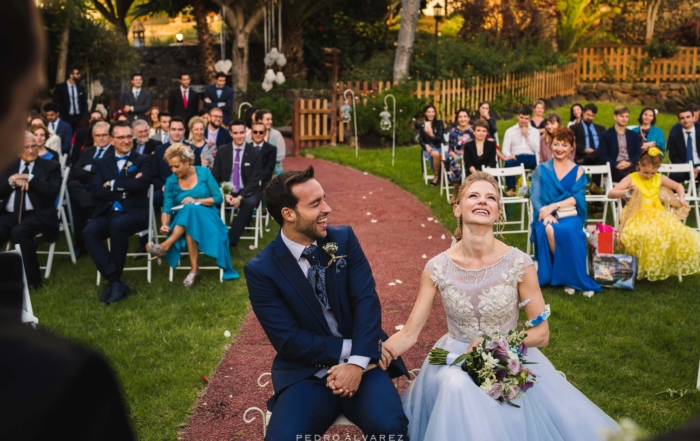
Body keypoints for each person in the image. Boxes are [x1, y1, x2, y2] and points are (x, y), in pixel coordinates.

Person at [380, 170, 619, 441]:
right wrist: (375, 354)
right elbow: (410, 333)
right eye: (474, 196)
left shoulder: (519, 263)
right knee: (454, 384)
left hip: (508, 355)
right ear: (457, 207)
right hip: (451, 358)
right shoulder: (436, 268)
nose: (483, 201)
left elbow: (542, 334)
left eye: (491, 198)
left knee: (465, 390)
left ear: (498, 213)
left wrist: (493, 343)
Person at [0, 3, 135, 439]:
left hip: (115, 212)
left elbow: (122, 188)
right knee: (95, 227)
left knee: (104, 225)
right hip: (97, 213)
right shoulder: (63, 383)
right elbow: (88, 185)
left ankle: (113, 280)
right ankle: (114, 278)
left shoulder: (134, 159)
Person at [244, 166, 409, 440]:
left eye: (324, 198)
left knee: (390, 427)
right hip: (306, 374)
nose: (327, 208)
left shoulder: (343, 240)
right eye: (315, 203)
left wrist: (357, 363)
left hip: (365, 368)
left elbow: (366, 301)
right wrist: (355, 350)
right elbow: (289, 340)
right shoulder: (262, 270)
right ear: (288, 214)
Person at [144, 143, 238, 285]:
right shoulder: (171, 181)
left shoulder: (204, 173)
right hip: (184, 222)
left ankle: (165, 246)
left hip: (208, 218)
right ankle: (194, 269)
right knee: (189, 217)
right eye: (171, 167)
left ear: (187, 162)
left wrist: (197, 200)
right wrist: (164, 224)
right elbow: (167, 208)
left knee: (190, 208)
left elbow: (218, 198)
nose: (174, 170)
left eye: (177, 166)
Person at [83, 121, 152, 304]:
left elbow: (140, 185)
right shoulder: (102, 163)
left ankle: (114, 283)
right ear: (112, 140)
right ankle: (115, 280)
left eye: (129, 136)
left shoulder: (142, 160)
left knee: (118, 225)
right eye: (121, 137)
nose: (126, 140)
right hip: (107, 212)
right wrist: (125, 188)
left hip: (134, 213)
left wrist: (112, 184)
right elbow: (95, 190)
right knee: (89, 231)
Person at [608, 147, 700, 281]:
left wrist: (681, 198)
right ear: (639, 165)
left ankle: (660, 264)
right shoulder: (631, 178)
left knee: (676, 231)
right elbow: (611, 193)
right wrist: (627, 192)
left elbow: (678, 186)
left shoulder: (659, 178)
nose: (649, 176)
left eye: (653, 172)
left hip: (657, 213)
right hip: (636, 213)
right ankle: (642, 266)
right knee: (644, 233)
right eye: (646, 172)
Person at [530, 128, 601, 295]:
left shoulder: (578, 170)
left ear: (571, 148)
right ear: (550, 145)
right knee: (547, 228)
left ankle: (568, 277)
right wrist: (546, 213)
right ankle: (568, 276)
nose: (559, 148)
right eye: (556, 144)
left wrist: (554, 207)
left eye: (564, 145)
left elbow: (577, 198)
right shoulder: (541, 169)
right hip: (543, 213)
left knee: (567, 230)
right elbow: (535, 196)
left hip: (569, 214)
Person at [0, 131, 61, 289]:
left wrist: (30, 179)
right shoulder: (8, 165)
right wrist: (12, 182)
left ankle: (33, 281)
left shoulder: (51, 166)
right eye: (25, 147)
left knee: (19, 232)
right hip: (8, 214)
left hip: (37, 214)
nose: (31, 150)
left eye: (34, 146)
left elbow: (51, 192)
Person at [211, 119, 262, 247]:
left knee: (249, 203)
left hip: (248, 189)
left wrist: (240, 197)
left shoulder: (255, 152)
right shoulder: (222, 151)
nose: (239, 136)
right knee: (210, 202)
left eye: (241, 132)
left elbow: (254, 179)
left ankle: (230, 240)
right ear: (230, 134)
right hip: (226, 189)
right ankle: (211, 236)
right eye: (236, 133)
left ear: (246, 132)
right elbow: (215, 176)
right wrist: (224, 194)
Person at [68, 121, 113, 258]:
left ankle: (79, 245)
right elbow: (75, 171)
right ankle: (91, 210)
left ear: (110, 136)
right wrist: (94, 173)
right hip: (86, 191)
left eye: (104, 135)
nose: (101, 138)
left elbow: (108, 174)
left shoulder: (114, 152)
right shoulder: (87, 151)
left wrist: (90, 169)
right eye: (97, 135)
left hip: (103, 192)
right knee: (72, 186)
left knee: (77, 204)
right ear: (93, 136)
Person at [152, 117, 193, 208]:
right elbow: (154, 175)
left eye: (180, 129)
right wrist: (162, 186)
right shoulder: (159, 150)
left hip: (188, 189)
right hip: (165, 189)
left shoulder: (192, 149)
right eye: (173, 129)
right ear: (169, 130)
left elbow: (197, 173)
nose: (177, 133)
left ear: (184, 131)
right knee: (155, 197)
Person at [501, 106, 540, 194]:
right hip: (516, 157)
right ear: (518, 116)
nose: (523, 120)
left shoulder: (534, 131)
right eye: (521, 117)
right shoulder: (510, 131)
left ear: (530, 119)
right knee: (508, 162)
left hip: (531, 157)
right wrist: (508, 155)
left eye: (526, 118)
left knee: (541, 164)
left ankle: (538, 188)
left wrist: (527, 135)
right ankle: (511, 189)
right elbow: (505, 148)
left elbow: (537, 149)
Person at [598, 106, 641, 183]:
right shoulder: (606, 135)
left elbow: (638, 153)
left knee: (638, 171)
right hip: (615, 167)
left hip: (631, 165)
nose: (624, 119)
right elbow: (602, 155)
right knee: (633, 175)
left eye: (626, 116)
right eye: (622, 116)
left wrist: (630, 162)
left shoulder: (633, 135)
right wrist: (615, 164)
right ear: (615, 116)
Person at [446, 108, 475, 197]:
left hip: (472, 157)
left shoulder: (473, 130)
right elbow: (450, 149)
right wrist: (457, 157)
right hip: (457, 156)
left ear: (469, 118)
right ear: (457, 119)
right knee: (457, 167)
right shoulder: (453, 131)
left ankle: (470, 192)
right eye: (460, 117)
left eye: (465, 116)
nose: (463, 119)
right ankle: (455, 191)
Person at [667, 107, 700, 183]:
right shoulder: (674, 136)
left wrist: (698, 168)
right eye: (682, 118)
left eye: (688, 117)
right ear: (679, 121)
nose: (685, 120)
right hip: (683, 166)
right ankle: (676, 194)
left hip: (699, 166)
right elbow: (673, 157)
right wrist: (688, 168)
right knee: (673, 177)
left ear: (693, 118)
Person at [252, 109, 286, 175]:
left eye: (271, 119)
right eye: (267, 119)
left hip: (274, 167)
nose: (270, 121)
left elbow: (281, 155)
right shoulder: (249, 134)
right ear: (260, 120)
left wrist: (267, 162)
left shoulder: (277, 134)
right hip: (254, 167)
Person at [52, 67, 87, 131]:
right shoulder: (61, 87)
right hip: (66, 117)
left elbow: (84, 103)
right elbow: (56, 102)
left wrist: (84, 117)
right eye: (77, 74)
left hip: (78, 117)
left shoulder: (80, 88)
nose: (79, 75)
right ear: (71, 75)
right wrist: (59, 115)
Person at [418, 104, 445, 186]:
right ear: (425, 113)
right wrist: (426, 146)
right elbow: (421, 140)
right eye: (428, 112)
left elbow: (439, 139)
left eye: (433, 112)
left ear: (435, 113)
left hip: (439, 146)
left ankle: (443, 175)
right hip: (428, 147)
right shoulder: (422, 125)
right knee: (436, 154)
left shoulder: (439, 123)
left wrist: (431, 134)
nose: (431, 114)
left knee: (440, 154)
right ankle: (436, 176)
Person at [249, 121, 277, 190]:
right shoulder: (246, 148)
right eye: (255, 132)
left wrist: (255, 180)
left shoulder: (272, 149)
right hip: (247, 183)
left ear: (265, 133)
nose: (258, 134)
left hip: (264, 184)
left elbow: (269, 168)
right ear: (251, 133)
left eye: (261, 132)